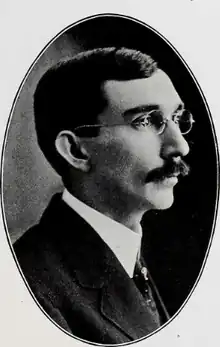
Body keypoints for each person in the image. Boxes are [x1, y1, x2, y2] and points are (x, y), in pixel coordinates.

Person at [14, 47, 193, 344]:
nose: (180, 146)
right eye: (146, 121)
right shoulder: (32, 289)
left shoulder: (145, 257)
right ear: (76, 151)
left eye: (176, 117)